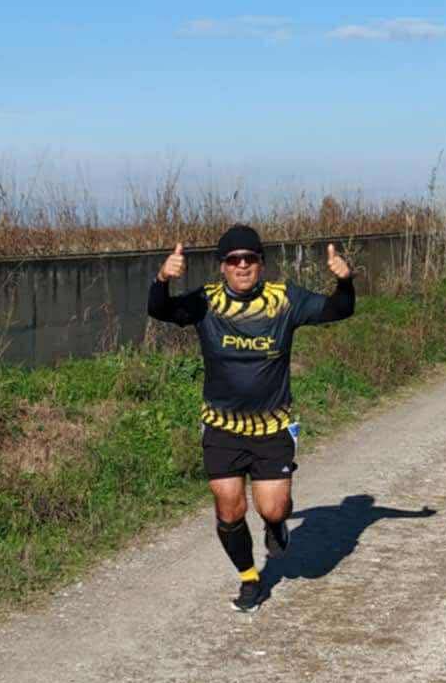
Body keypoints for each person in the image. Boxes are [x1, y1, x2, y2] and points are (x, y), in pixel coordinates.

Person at [147, 223, 355, 611]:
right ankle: (249, 579)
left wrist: (345, 282)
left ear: (261, 263)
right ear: (222, 266)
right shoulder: (206, 301)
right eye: (233, 260)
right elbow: (159, 310)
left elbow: (339, 309)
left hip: (271, 426)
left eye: (249, 258)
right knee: (229, 507)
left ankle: (276, 525)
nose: (242, 265)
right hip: (222, 426)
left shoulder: (284, 299)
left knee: (272, 507)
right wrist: (162, 279)